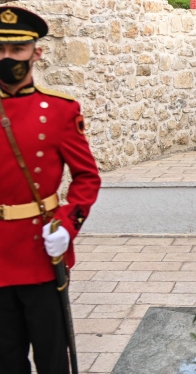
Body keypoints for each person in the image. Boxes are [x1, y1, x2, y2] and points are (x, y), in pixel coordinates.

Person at [0, 6, 101, 374]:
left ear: (36, 52)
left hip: (41, 250)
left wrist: (66, 225)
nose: (6, 58)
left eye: (16, 50)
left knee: (52, 356)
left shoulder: (58, 110)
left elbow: (87, 177)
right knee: (5, 358)